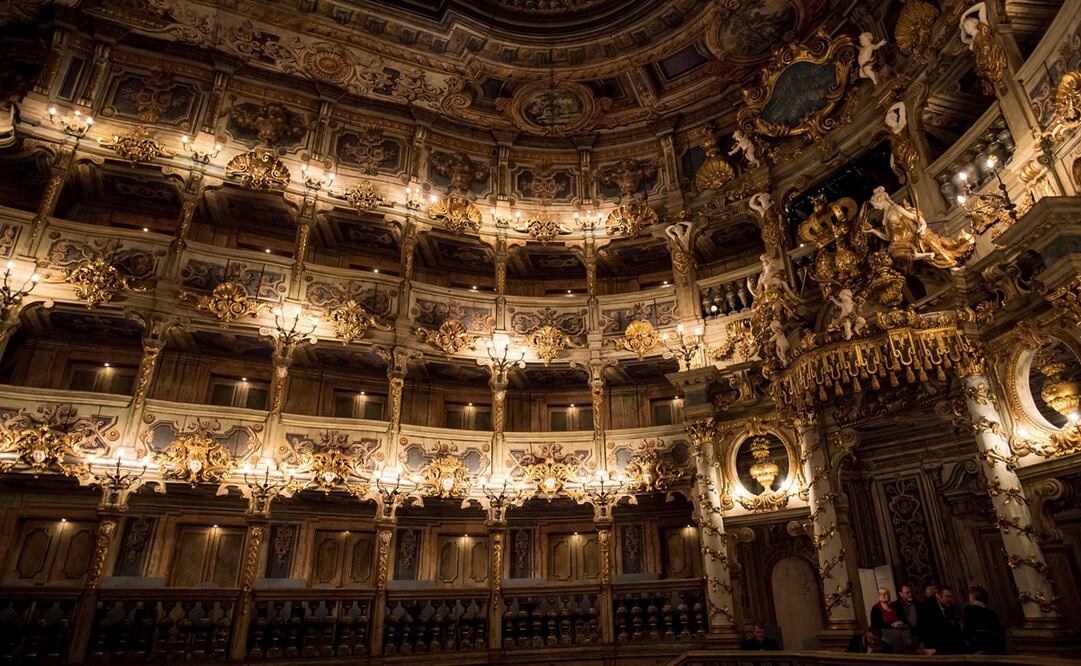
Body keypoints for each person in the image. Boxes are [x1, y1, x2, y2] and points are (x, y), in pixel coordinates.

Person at [921, 585, 965, 654]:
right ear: (938, 595)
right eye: (947, 596)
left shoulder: (948, 605)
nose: (950, 599)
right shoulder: (928, 606)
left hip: (948, 643)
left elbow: (953, 624)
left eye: (951, 597)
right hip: (935, 645)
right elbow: (928, 628)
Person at [964, 586, 1005, 654]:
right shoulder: (992, 613)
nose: (968, 596)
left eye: (970, 594)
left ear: (975, 595)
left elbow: (968, 629)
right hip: (994, 649)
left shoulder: (969, 609)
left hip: (977, 648)